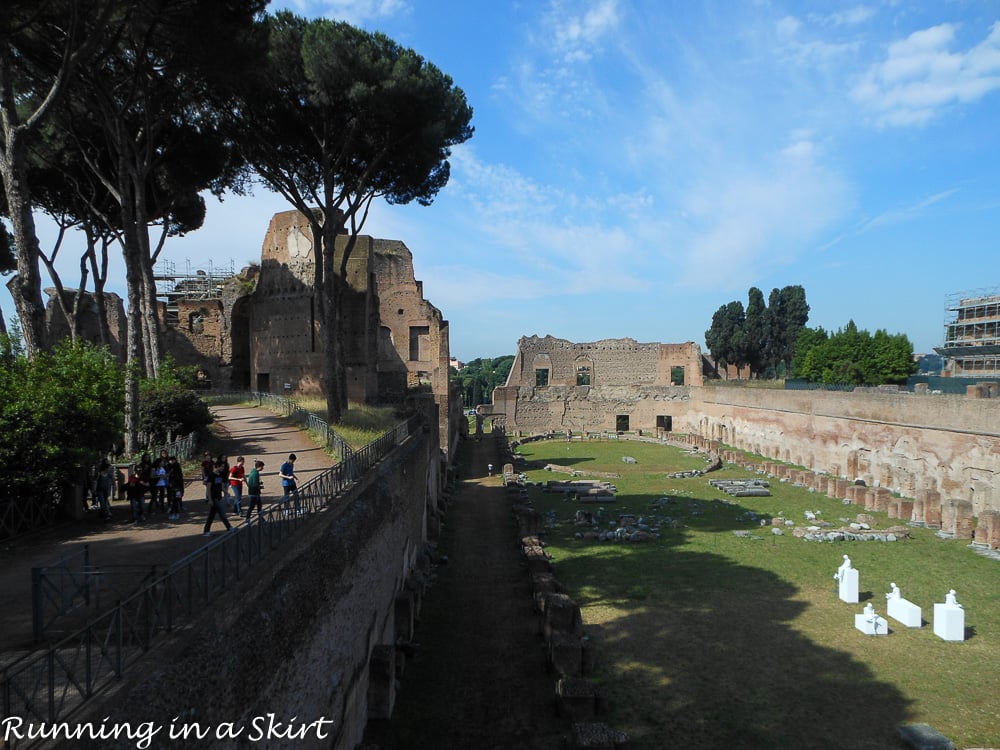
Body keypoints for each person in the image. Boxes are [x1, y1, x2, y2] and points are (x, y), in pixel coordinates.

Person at [203, 459, 233, 536]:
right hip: (213, 497)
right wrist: (209, 499)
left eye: (223, 466)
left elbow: (221, 486)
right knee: (222, 512)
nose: (223, 468)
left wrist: (226, 492)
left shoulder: (220, 475)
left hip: (219, 497)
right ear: (216, 467)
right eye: (221, 466)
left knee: (211, 515)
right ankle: (229, 527)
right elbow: (208, 488)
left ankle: (206, 530)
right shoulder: (211, 476)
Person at [166, 455, 184, 520]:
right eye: (170, 460)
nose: (172, 461)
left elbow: (180, 477)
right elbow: (167, 476)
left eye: (173, 460)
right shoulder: (168, 467)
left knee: (177, 499)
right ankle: (172, 513)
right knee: (172, 500)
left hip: (178, 486)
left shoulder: (177, 467)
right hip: (171, 486)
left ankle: (176, 513)